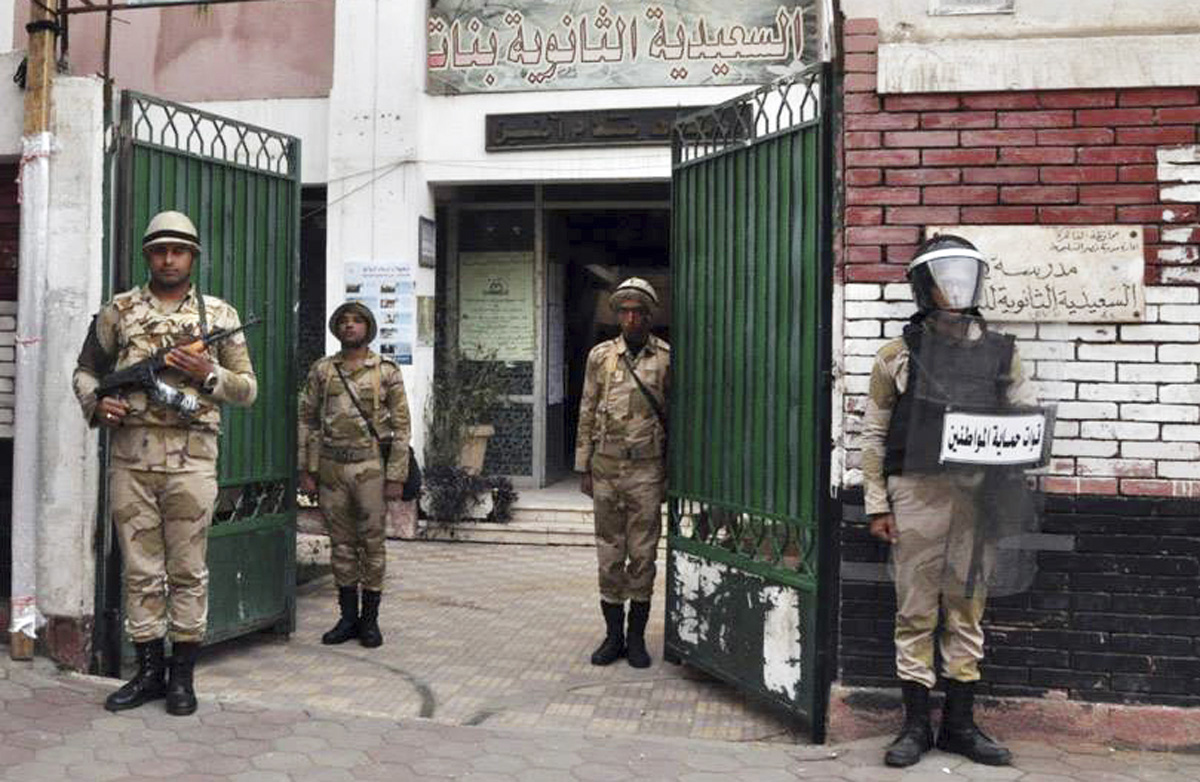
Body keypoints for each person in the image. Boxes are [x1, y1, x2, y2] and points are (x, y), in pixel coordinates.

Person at [859, 234, 1039, 767]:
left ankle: (960, 724)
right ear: (923, 286)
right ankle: (915, 726)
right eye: (943, 278)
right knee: (915, 610)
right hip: (915, 494)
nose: (954, 288)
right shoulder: (895, 355)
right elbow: (873, 435)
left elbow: (1027, 421)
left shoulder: (1003, 352)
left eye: (962, 276)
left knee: (967, 610)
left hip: (979, 497)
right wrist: (876, 504)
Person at [73, 210, 258, 715]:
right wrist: (98, 406)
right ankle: (148, 672)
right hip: (132, 458)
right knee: (140, 571)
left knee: (189, 571)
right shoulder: (119, 311)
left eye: (178, 250)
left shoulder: (219, 315)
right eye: (160, 250)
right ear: (148, 256)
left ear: (193, 256)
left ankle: (182, 678)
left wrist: (208, 371)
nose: (169, 258)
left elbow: (248, 390)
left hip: (193, 462)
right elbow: (87, 371)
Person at [298, 301, 411, 649]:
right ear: (336, 329)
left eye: (357, 321)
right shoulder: (322, 371)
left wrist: (396, 476)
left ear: (368, 328)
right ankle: (347, 618)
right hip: (332, 467)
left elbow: (402, 426)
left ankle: (371, 620)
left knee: (372, 544)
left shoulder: (386, 370)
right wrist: (307, 469)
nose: (350, 326)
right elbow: (307, 419)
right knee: (342, 545)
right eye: (343, 321)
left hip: (370, 468)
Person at [575, 277, 670, 669]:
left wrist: (671, 472)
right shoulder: (601, 356)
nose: (630, 318)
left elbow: (675, 415)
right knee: (609, 552)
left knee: (643, 554)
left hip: (646, 469)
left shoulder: (665, 357)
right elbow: (586, 407)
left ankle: (636, 639)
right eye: (625, 312)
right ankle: (613, 636)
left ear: (649, 316)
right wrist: (583, 465)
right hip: (606, 466)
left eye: (638, 312)